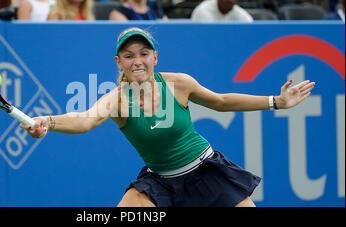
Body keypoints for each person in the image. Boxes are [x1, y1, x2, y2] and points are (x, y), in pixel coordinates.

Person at [19, 27, 316, 207]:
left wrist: (276, 101)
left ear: (155, 57)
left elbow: (222, 102)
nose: (137, 60)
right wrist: (48, 120)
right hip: (160, 182)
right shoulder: (117, 100)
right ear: (118, 62)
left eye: (144, 53)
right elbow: (84, 120)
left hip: (207, 172)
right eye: (129, 55)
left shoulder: (180, 84)